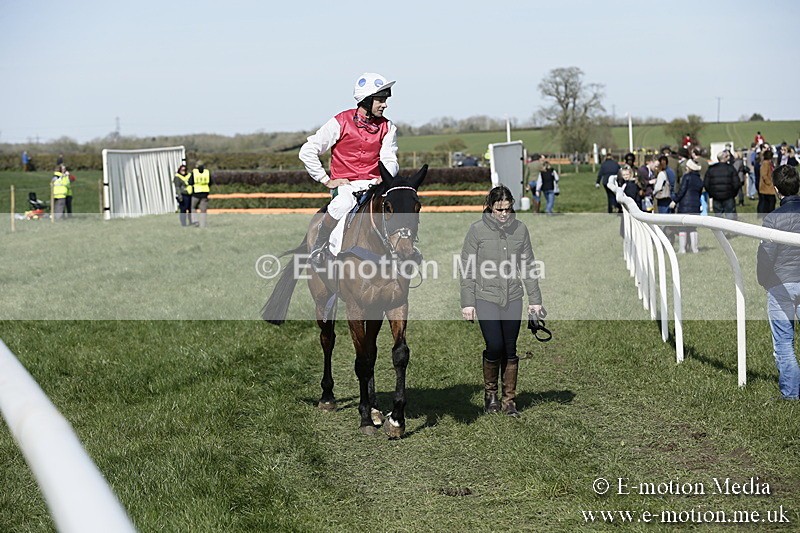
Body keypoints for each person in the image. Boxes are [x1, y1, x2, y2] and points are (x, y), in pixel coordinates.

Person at [459, 185, 544, 417]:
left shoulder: (520, 229)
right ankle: (491, 394)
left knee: (510, 348)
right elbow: (467, 268)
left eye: (507, 209)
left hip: (513, 297)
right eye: (499, 209)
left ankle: (509, 401)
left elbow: (528, 266)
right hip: (485, 297)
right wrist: (468, 303)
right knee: (494, 345)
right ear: (490, 207)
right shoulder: (476, 231)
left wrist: (535, 300)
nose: (504, 214)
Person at [299, 72, 399, 265]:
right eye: (380, 100)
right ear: (367, 100)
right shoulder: (340, 121)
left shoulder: (388, 127)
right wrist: (325, 179)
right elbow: (307, 151)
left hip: (374, 184)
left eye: (385, 100)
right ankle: (319, 247)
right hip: (345, 186)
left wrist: (386, 175)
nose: (385, 105)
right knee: (342, 204)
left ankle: (404, 252)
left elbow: (389, 158)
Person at [756, 164, 800, 400]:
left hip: (781, 285)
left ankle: (791, 394)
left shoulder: (772, 219)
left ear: (775, 189)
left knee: (784, 343)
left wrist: (764, 280)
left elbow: (765, 256)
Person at [669, 159, 704, 253]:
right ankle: (695, 248)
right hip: (695, 205)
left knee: (683, 227)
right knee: (693, 227)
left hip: (685, 205)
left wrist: (675, 200)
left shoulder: (686, 177)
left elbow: (682, 191)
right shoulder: (699, 179)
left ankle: (682, 249)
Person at [704, 151, 740, 220]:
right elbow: (736, 183)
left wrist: (711, 194)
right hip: (728, 196)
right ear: (725, 158)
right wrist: (733, 194)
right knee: (730, 217)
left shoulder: (711, 169)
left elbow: (706, 184)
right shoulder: (730, 168)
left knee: (718, 218)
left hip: (716, 196)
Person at [189, 160, 211, 228]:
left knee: (193, 208)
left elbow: (190, 182)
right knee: (203, 210)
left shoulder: (194, 172)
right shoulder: (207, 172)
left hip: (196, 193)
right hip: (204, 193)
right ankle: (203, 224)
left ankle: (195, 222)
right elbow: (210, 182)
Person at [758, 149, 776, 216]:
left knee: (771, 203)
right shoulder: (765, 163)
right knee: (769, 204)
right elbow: (764, 175)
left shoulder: (769, 163)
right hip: (766, 188)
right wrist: (770, 183)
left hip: (769, 188)